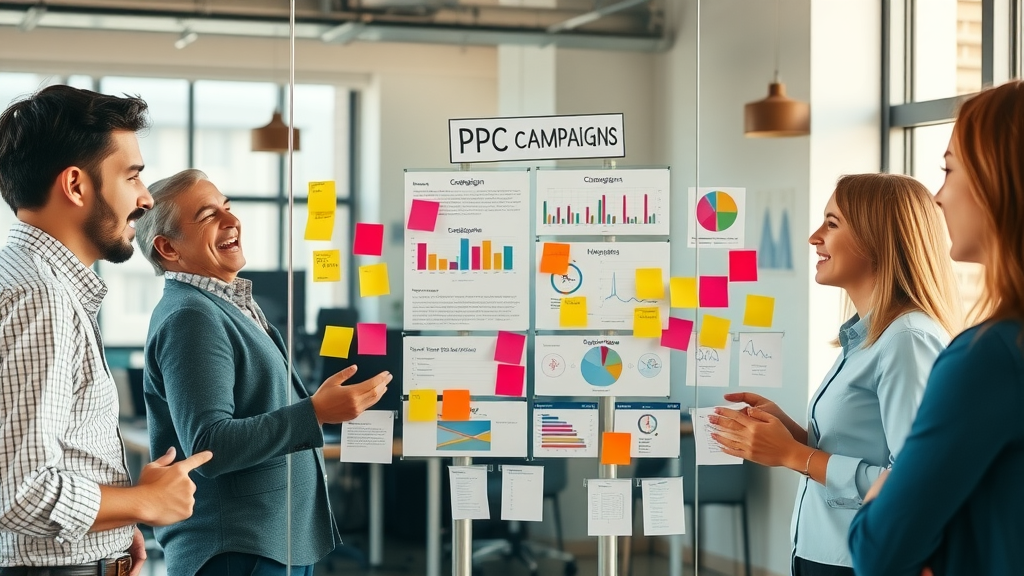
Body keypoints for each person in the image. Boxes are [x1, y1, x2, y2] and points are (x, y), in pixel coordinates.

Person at [133, 168, 392, 576]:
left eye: (228, 208)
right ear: (167, 248)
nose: (231, 221)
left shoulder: (228, 304)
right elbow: (209, 445)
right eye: (207, 215)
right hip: (239, 550)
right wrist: (316, 413)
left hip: (270, 541)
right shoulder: (191, 316)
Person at [0, 86, 212, 576]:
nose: (144, 197)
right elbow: (21, 489)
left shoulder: (35, 281)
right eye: (132, 175)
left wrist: (119, 518)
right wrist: (142, 500)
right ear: (76, 186)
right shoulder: (42, 297)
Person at [708, 173, 962, 576]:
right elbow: (863, 446)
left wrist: (794, 455)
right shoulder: (867, 338)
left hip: (856, 561)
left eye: (831, 223)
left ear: (877, 239)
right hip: (822, 554)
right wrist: (790, 432)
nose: (814, 237)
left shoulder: (907, 340)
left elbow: (912, 481)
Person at [849, 80, 1024, 576]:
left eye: (949, 170)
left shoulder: (988, 357)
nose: (939, 197)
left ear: (1001, 181)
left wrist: (886, 491)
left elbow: (880, 548)